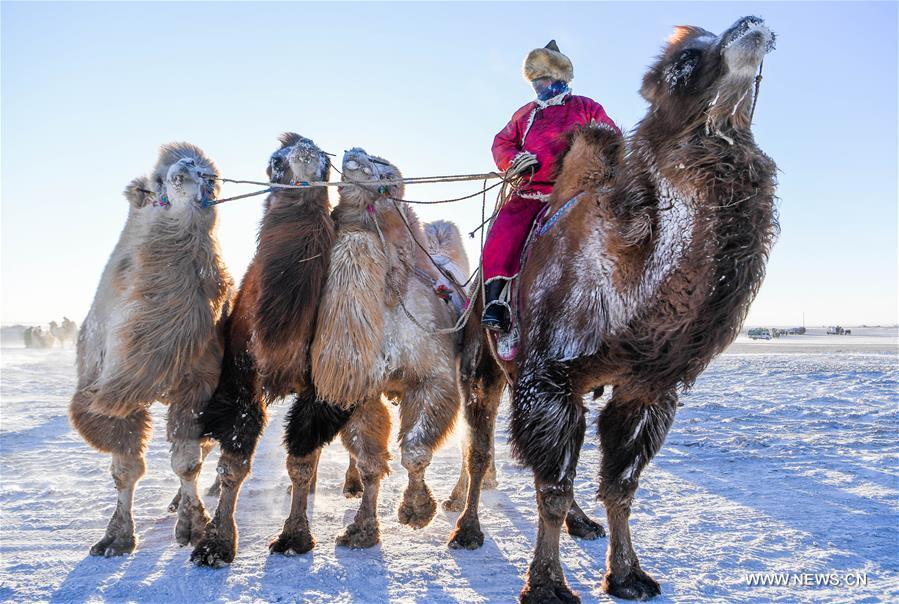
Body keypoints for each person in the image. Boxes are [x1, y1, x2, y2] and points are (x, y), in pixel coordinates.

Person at [482, 40, 619, 332]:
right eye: (535, 81)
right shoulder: (525, 114)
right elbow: (502, 143)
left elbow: (611, 138)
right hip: (531, 193)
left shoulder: (586, 107)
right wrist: (514, 160)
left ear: (559, 78)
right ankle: (497, 302)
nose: (539, 86)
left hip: (578, 194)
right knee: (504, 232)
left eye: (543, 79)